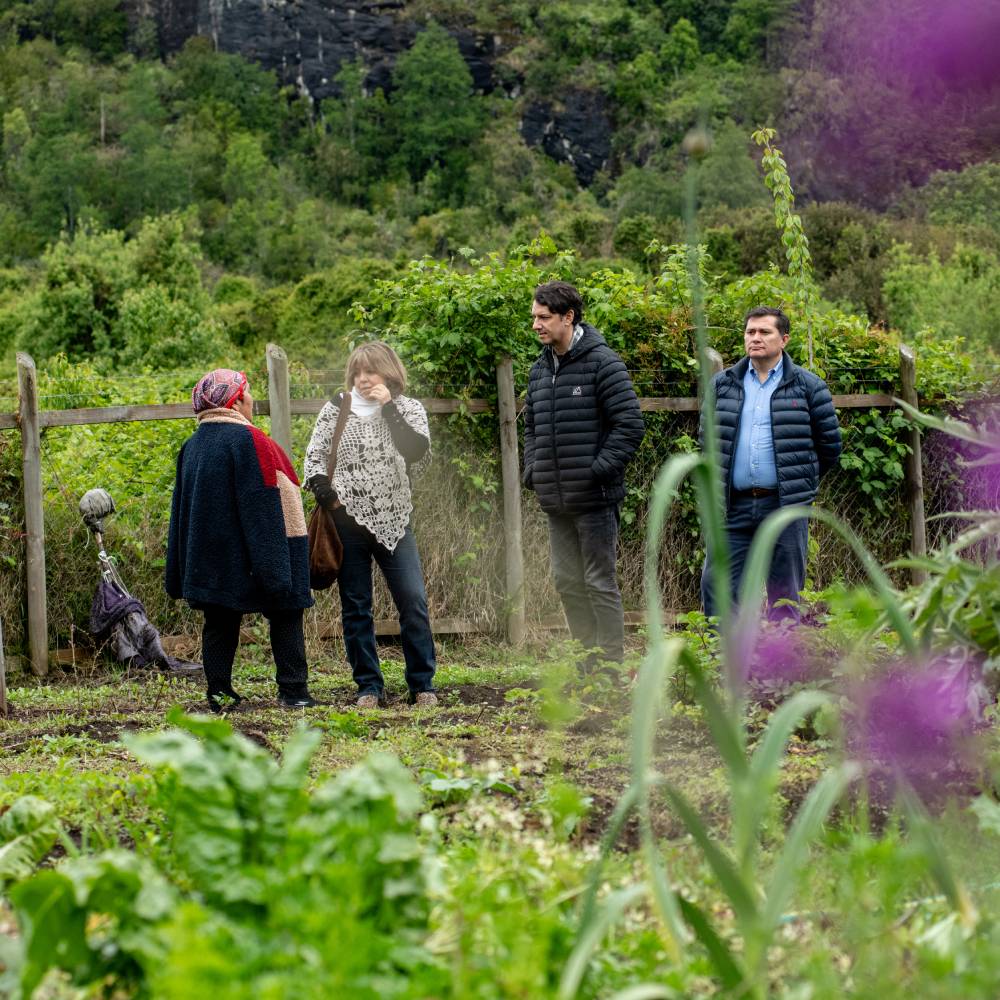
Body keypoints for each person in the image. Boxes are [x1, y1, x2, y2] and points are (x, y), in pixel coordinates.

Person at [165, 368, 317, 712]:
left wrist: (179, 568)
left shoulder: (192, 446)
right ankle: (294, 691)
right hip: (257, 555)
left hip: (212, 556)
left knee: (219, 620)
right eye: (247, 395)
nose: (252, 401)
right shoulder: (253, 442)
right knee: (286, 611)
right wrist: (278, 569)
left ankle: (219, 694)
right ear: (235, 401)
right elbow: (264, 504)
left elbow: (180, 512)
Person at [305, 342, 437, 709]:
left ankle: (422, 684)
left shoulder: (408, 408)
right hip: (346, 524)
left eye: (370, 372)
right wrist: (330, 498)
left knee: (413, 600)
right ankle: (368, 687)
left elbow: (415, 452)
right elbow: (314, 458)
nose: (362, 379)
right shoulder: (337, 407)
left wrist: (388, 408)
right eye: (357, 373)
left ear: (388, 372)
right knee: (356, 606)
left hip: (396, 517)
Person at [522, 281, 645, 666]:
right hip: (555, 501)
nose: (536, 326)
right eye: (534, 318)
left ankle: (609, 667)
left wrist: (597, 471)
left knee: (598, 583)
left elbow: (629, 425)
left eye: (543, 318)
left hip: (594, 499)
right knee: (568, 584)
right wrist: (532, 471)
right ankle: (586, 661)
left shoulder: (603, 363)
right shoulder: (539, 370)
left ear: (568, 317)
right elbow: (532, 428)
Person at [700, 306, 842, 623]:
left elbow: (829, 447)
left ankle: (780, 665)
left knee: (785, 594)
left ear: (784, 339)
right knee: (718, 585)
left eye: (765, 332)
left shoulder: (809, 387)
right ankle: (724, 663)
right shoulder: (723, 386)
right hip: (732, 507)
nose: (756, 338)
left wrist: (799, 483)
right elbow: (707, 443)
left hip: (784, 507)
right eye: (750, 332)